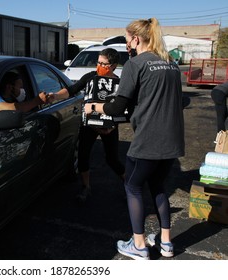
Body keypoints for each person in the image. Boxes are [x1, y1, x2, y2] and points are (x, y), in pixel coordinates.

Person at [84, 18, 185, 260]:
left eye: (127, 39)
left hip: (149, 140)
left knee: (132, 186)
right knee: (158, 187)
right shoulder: (171, 64)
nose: (126, 43)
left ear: (136, 39)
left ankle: (139, 245)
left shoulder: (136, 64)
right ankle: (166, 242)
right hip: (173, 140)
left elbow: (118, 105)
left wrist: (95, 107)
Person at [49, 48, 125, 202]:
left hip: (109, 127)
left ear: (114, 65)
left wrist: (112, 125)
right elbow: (72, 90)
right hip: (88, 124)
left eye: (104, 64)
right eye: (98, 62)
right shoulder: (90, 77)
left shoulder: (120, 83)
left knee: (112, 159)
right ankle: (85, 187)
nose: (99, 66)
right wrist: (55, 96)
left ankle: (131, 185)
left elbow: (122, 108)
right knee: (83, 155)